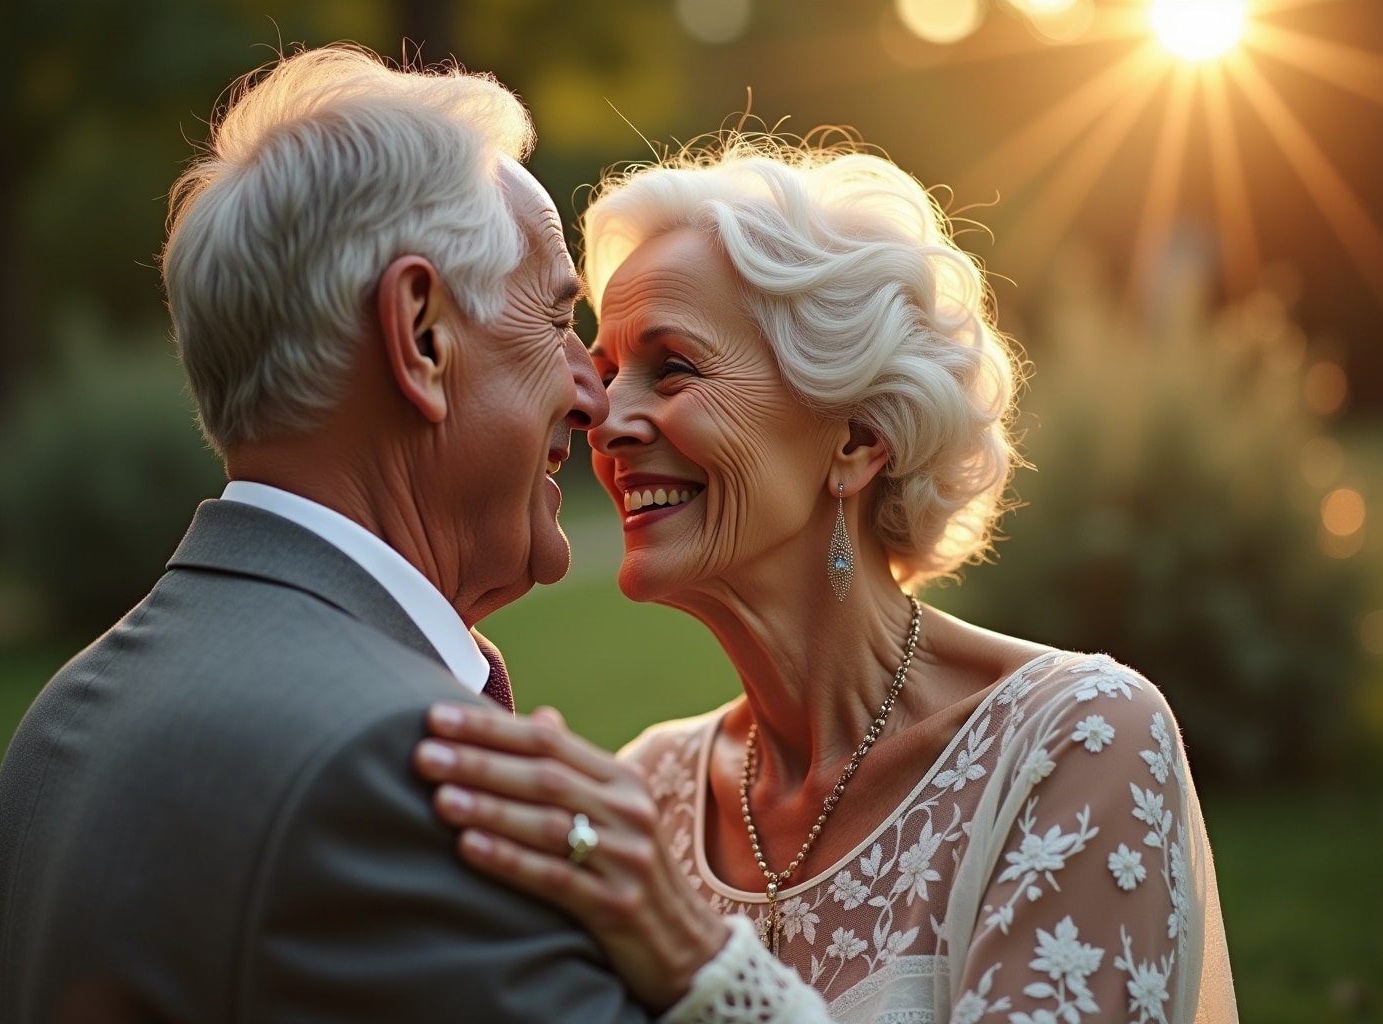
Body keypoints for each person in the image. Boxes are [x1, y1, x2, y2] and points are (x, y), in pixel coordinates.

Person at [413, 138, 1239, 1022]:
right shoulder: (645, 791)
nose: (605, 419)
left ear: (855, 440)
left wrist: (695, 958)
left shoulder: (1077, 739)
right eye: (609, 374)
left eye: (674, 367)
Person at [0, 45, 655, 1023]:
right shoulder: (402, 772)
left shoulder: (58, 727)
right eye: (554, 319)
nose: (594, 393)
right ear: (421, 335)